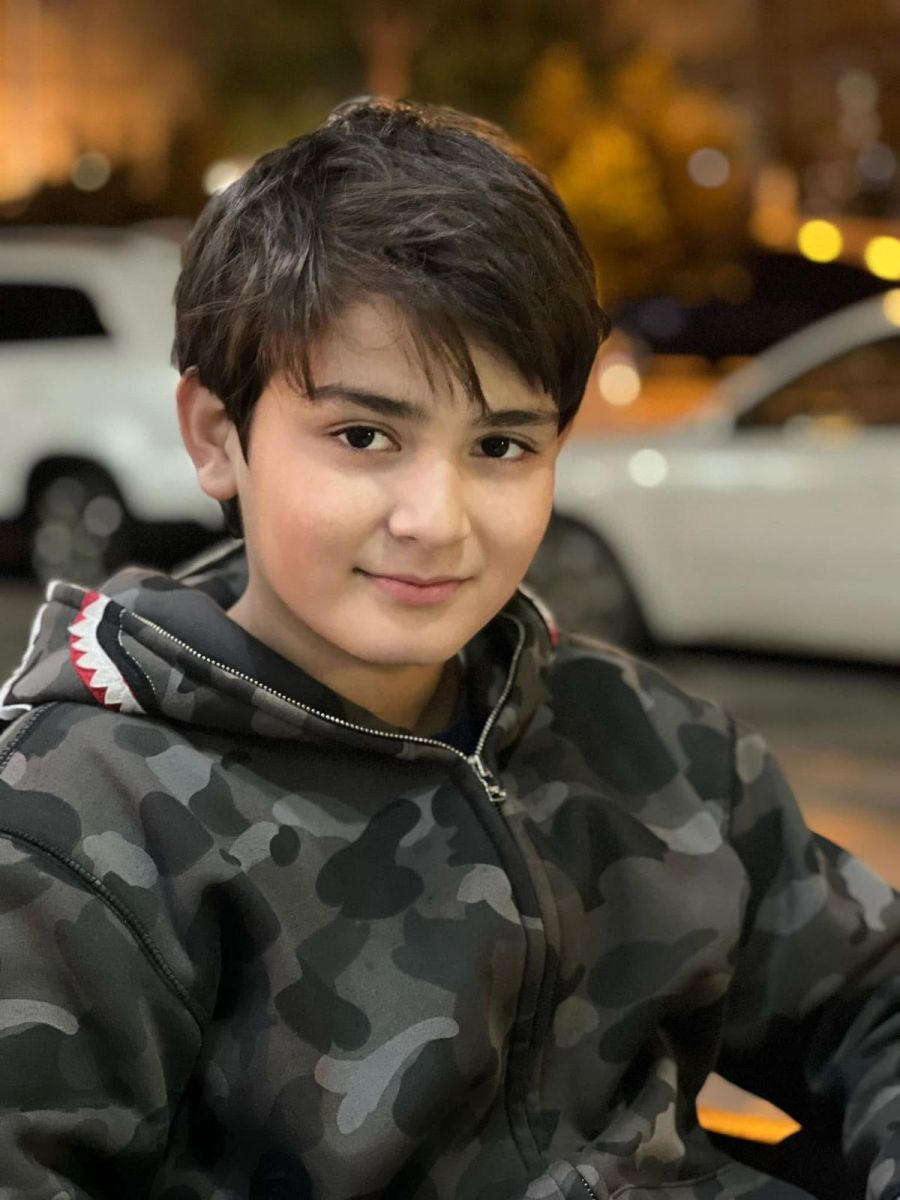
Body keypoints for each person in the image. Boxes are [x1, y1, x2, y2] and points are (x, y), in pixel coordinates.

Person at [0, 97, 898, 1200]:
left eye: (502, 445)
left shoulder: (648, 742)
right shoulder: (77, 832)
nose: (437, 519)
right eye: (364, 435)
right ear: (218, 434)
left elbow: (875, 998)